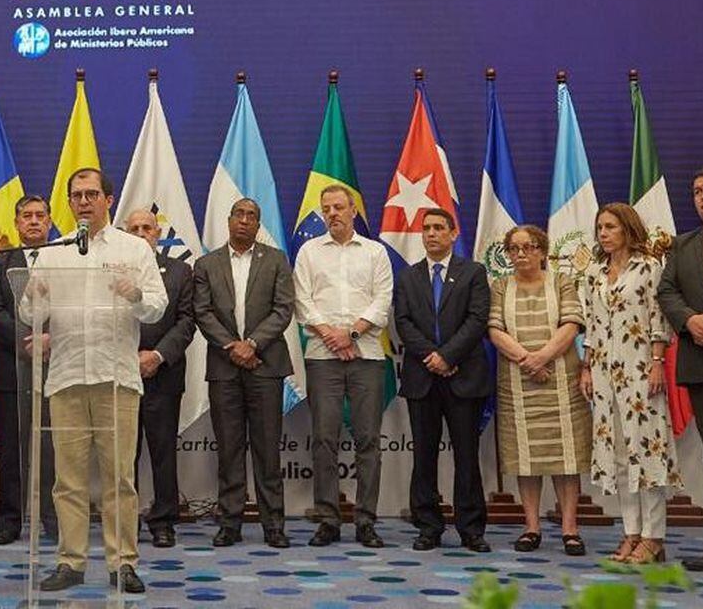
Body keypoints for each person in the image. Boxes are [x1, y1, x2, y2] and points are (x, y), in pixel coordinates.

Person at [33, 168, 166, 595]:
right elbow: (26, 313)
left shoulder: (135, 249)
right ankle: (70, 562)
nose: (84, 201)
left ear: (109, 200)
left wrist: (136, 295)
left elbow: (158, 307)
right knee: (67, 480)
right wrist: (32, 299)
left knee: (119, 479)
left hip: (116, 377)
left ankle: (122, 563)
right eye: (77, 195)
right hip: (67, 376)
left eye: (92, 194)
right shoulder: (53, 251)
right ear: (69, 203)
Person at [293, 185, 393, 548]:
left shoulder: (375, 252)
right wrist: (333, 337)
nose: (332, 213)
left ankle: (366, 521)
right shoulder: (309, 252)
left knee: (368, 440)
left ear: (354, 211)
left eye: (339, 207)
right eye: (327, 209)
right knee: (324, 441)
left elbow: (383, 301)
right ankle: (328, 521)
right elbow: (302, 301)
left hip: (366, 357)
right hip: (322, 357)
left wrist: (349, 333)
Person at [580, 203, 680, 564]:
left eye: (610, 227)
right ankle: (631, 532)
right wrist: (587, 368)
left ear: (627, 228)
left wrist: (656, 362)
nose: (604, 233)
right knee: (619, 457)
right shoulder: (593, 272)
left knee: (647, 453)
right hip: (606, 375)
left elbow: (659, 319)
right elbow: (590, 325)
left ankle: (654, 537)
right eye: (600, 228)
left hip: (640, 370)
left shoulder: (649, 267)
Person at [193, 198, 294, 549]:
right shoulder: (206, 264)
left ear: (257, 224)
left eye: (252, 216)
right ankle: (230, 524)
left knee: (268, 450)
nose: (245, 221)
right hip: (224, 368)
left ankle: (273, 525)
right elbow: (202, 313)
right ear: (229, 219)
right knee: (230, 450)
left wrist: (252, 343)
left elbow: (284, 310)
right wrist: (234, 348)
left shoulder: (277, 260)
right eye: (239, 214)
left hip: (266, 366)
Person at [487, 224, 591, 556]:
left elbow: (572, 324)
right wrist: (526, 360)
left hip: (561, 382)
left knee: (565, 458)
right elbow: (494, 330)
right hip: (517, 384)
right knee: (526, 458)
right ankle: (531, 527)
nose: (521, 254)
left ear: (543, 251)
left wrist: (542, 357)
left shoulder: (562, 281)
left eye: (529, 247)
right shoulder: (501, 286)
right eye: (514, 249)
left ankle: (570, 529)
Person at [392, 208, 492, 553]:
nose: (431, 234)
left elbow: (478, 319)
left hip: (464, 375)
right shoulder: (408, 276)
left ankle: (471, 528)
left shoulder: (473, 273)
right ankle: (428, 526)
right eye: (426, 229)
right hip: (423, 377)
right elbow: (403, 322)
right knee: (424, 456)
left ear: (453, 233)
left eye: (438, 228)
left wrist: (448, 356)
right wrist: (431, 357)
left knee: (467, 455)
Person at [658, 165, 703, 572]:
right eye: (698, 190)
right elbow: (667, 290)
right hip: (702, 368)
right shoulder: (683, 245)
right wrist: (689, 321)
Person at [0, 194, 57, 545]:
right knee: (11, 450)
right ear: (16, 223)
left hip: (57, 365)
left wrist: (49, 340)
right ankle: (10, 520)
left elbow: (72, 308)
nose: (33, 221)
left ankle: (53, 518)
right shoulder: (0, 265)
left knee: (53, 448)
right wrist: (28, 341)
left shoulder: (65, 258)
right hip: (10, 368)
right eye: (26, 216)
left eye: (40, 215)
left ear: (50, 220)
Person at [124, 208, 195, 549]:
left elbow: (186, 322)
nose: (141, 233)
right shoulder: (114, 270)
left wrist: (156, 356)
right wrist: (129, 357)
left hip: (163, 374)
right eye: (134, 228)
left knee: (163, 452)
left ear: (158, 232)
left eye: (146, 228)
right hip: (120, 371)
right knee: (123, 454)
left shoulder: (180, 271)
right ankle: (125, 521)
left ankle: (163, 521)